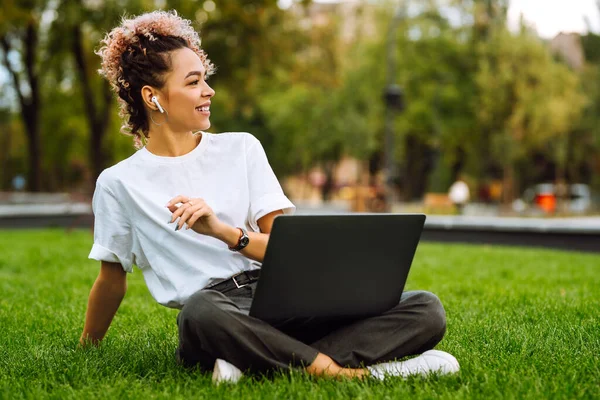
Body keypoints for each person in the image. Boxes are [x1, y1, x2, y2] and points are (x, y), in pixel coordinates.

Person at [80, 10, 459, 383]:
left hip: (280, 295)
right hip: (218, 313)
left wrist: (226, 233)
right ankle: (348, 371)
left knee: (425, 308)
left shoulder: (241, 149)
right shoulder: (119, 183)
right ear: (153, 97)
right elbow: (112, 279)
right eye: (194, 82)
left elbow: (285, 248)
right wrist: (86, 348)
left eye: (205, 79)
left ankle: (255, 364)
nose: (209, 91)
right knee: (198, 313)